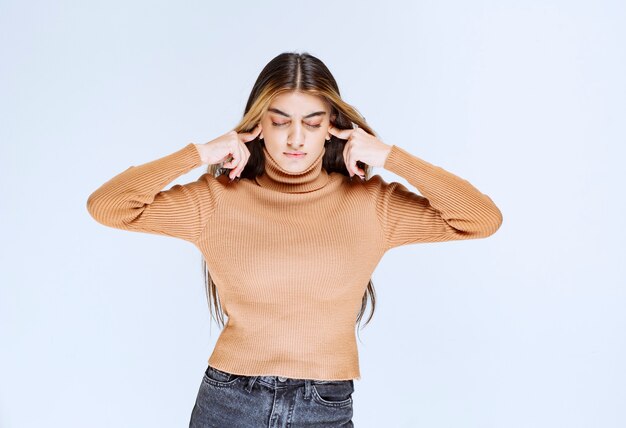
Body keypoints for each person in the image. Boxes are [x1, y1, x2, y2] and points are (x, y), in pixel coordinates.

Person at [86, 51, 503, 427]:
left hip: (324, 405)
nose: (296, 137)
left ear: (333, 129)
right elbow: (109, 206)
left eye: (312, 122)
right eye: (280, 120)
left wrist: (391, 157)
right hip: (229, 402)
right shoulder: (215, 200)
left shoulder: (372, 204)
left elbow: (480, 219)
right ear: (258, 125)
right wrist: (200, 153)